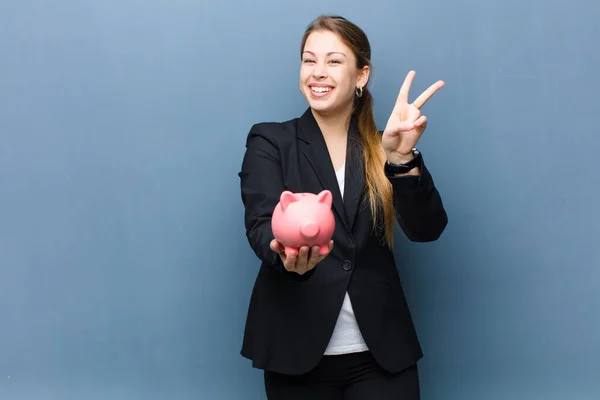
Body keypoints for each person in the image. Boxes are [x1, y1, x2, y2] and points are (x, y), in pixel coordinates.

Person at [238, 15, 448, 400]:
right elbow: (261, 223)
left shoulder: (386, 145)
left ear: (361, 75)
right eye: (309, 60)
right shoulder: (271, 140)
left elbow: (427, 228)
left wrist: (402, 162)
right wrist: (285, 253)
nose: (318, 73)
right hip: (296, 350)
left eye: (334, 61)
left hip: (382, 354)